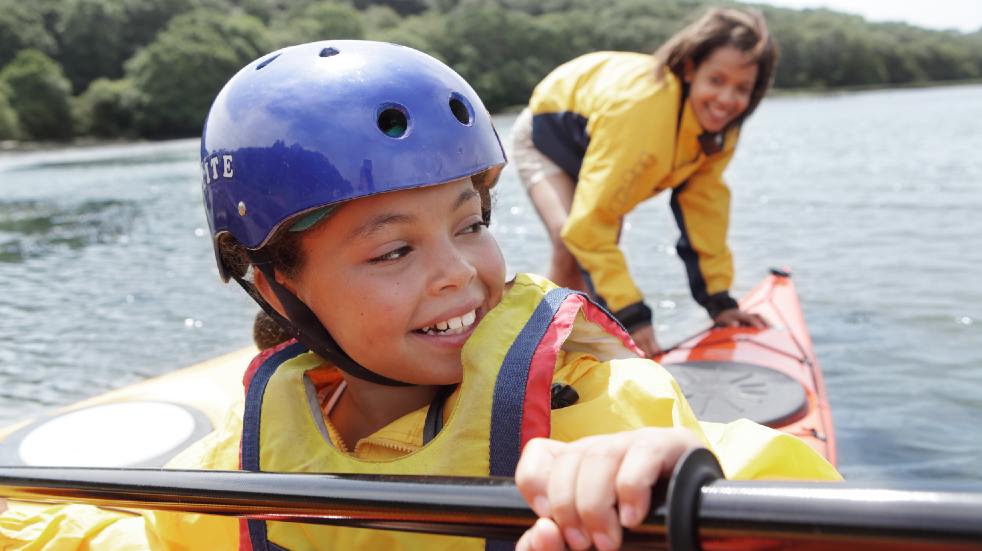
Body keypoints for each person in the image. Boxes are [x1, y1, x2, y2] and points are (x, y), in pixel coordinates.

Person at [0, 40, 838, 551]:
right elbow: (137, 532)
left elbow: (811, 514)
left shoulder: (599, 411)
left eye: (470, 223)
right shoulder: (244, 453)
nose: (459, 272)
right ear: (274, 283)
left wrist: (693, 488)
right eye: (395, 249)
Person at [511, 7, 774, 357]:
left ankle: (580, 347)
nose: (727, 100)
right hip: (547, 137)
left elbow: (704, 211)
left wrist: (719, 301)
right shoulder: (643, 111)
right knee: (571, 240)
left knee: (594, 247)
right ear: (691, 69)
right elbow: (588, 228)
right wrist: (633, 316)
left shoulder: (722, 128)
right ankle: (538, 354)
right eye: (716, 80)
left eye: (742, 88)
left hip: (603, 147)